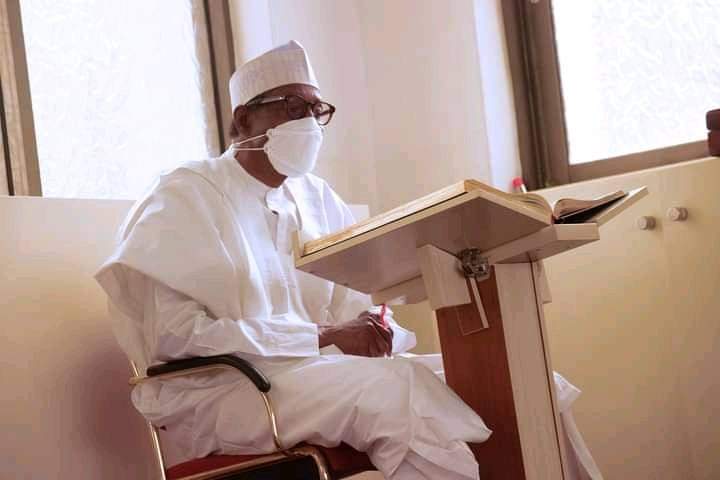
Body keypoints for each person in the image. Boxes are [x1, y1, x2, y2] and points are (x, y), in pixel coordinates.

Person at [96, 40, 600, 480]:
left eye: (316, 110)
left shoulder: (317, 197)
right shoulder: (186, 195)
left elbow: (362, 306)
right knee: (401, 394)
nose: (308, 122)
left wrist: (379, 330)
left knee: (527, 385)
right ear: (243, 120)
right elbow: (177, 337)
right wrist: (321, 337)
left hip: (318, 375)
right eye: (291, 106)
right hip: (223, 390)